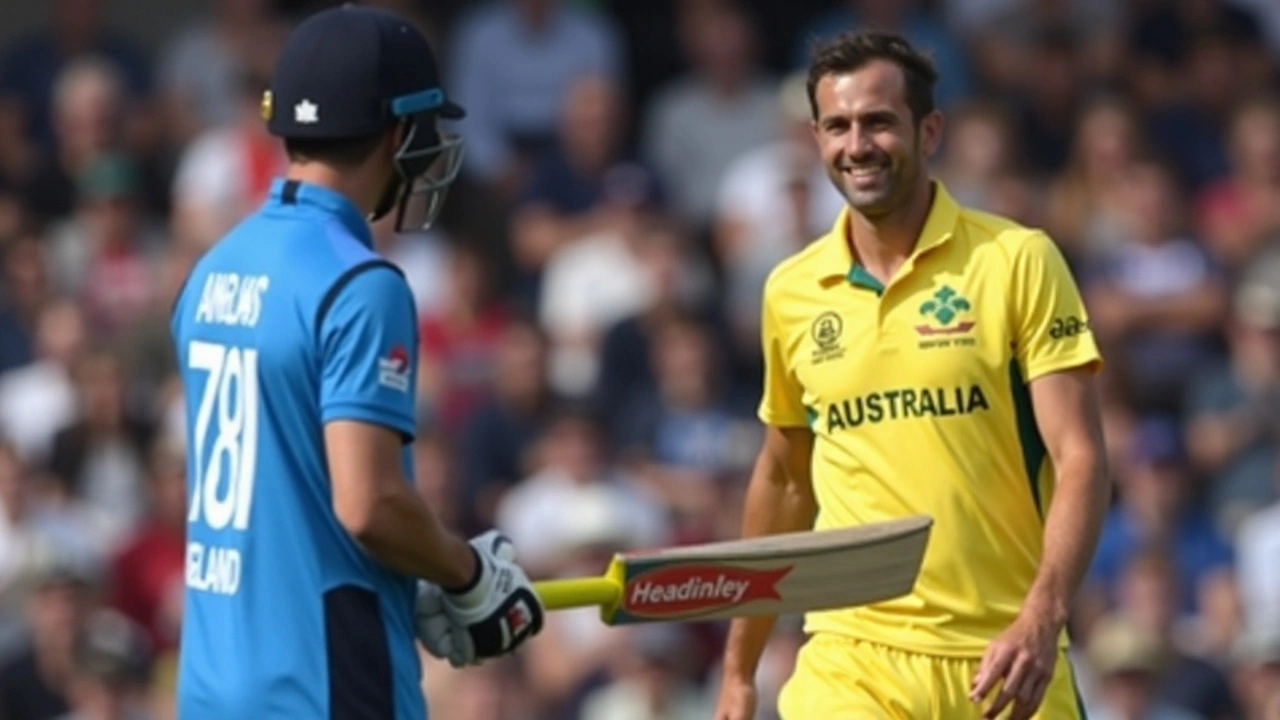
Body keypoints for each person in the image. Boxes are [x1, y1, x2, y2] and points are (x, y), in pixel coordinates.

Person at [711, 31, 1111, 720]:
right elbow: (783, 477)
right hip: (852, 659)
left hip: (1006, 653)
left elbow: (1080, 456)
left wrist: (1044, 612)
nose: (856, 145)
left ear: (930, 130)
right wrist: (739, 668)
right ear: (815, 137)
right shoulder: (790, 290)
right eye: (836, 126)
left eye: (878, 122)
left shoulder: (1017, 259)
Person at [168, 6, 544, 720]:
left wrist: (413, 573)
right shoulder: (361, 284)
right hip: (324, 684)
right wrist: (468, 574)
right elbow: (368, 505)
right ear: (400, 132)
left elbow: (289, 494)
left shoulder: (213, 268)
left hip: (212, 687)